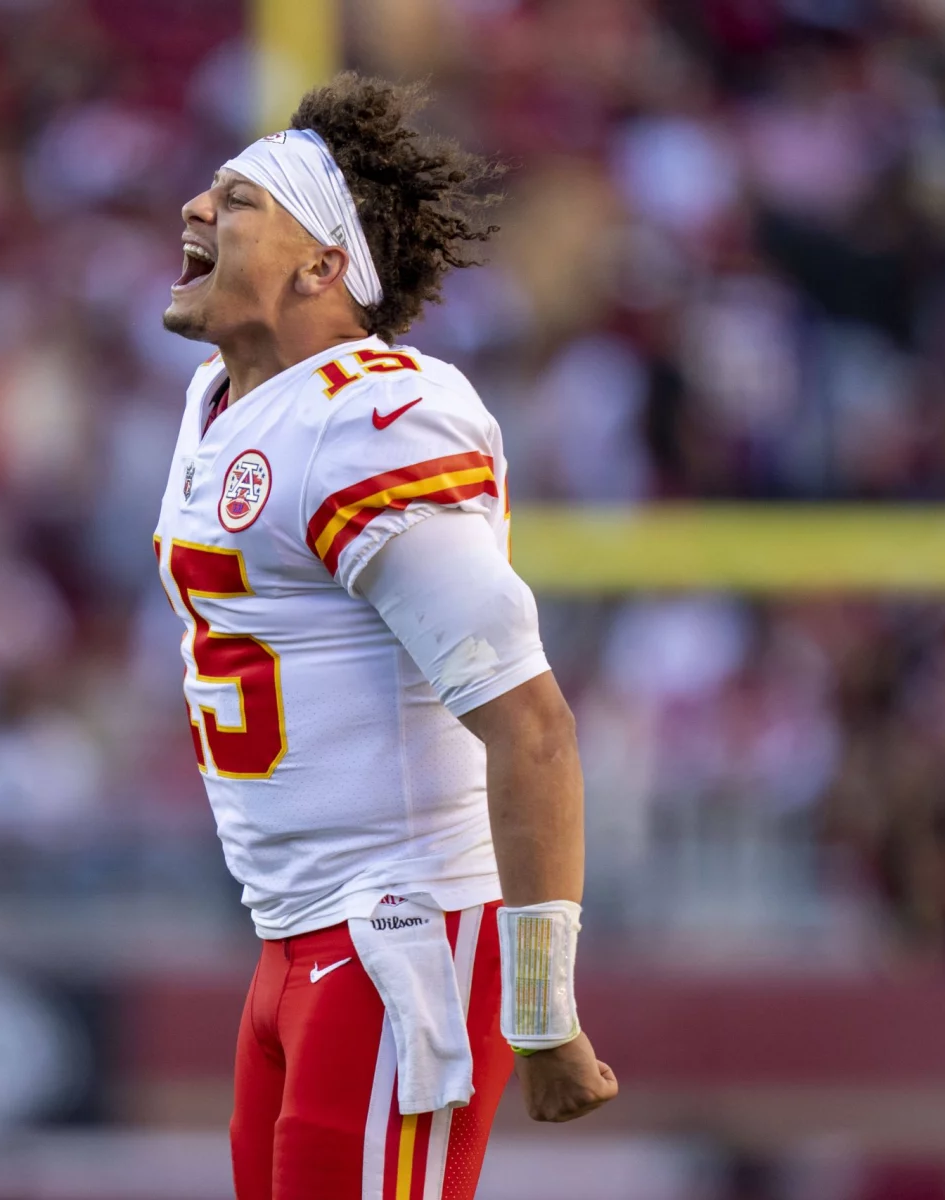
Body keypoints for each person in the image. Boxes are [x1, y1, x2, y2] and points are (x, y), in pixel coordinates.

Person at [153, 74, 617, 1200]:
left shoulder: (371, 421)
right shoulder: (220, 400)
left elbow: (534, 725)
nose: (196, 215)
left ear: (322, 267)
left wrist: (543, 1009)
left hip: (399, 932)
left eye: (242, 202)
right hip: (295, 938)